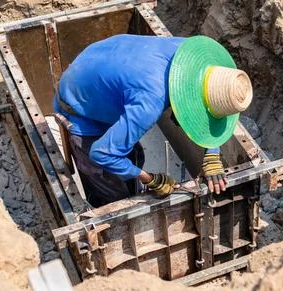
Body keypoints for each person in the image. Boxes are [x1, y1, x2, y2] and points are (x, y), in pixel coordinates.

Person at [54, 34, 253, 207]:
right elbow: (102, 153)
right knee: (112, 193)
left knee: (134, 156)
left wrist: (212, 153)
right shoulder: (151, 101)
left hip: (100, 65)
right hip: (79, 105)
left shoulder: (191, 55)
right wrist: (151, 179)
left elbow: (214, 104)